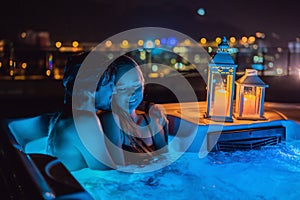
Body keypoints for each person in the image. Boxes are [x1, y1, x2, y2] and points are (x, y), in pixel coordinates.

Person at [48, 52, 168, 170]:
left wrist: (147, 106)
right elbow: (112, 177)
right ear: (91, 88)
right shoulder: (85, 121)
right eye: (111, 85)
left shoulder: (68, 117)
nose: (115, 92)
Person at [97, 54, 169, 165]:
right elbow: (119, 171)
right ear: (111, 90)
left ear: (144, 84)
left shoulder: (150, 119)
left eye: (137, 86)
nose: (132, 94)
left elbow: (167, 161)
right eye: (122, 88)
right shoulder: (111, 120)